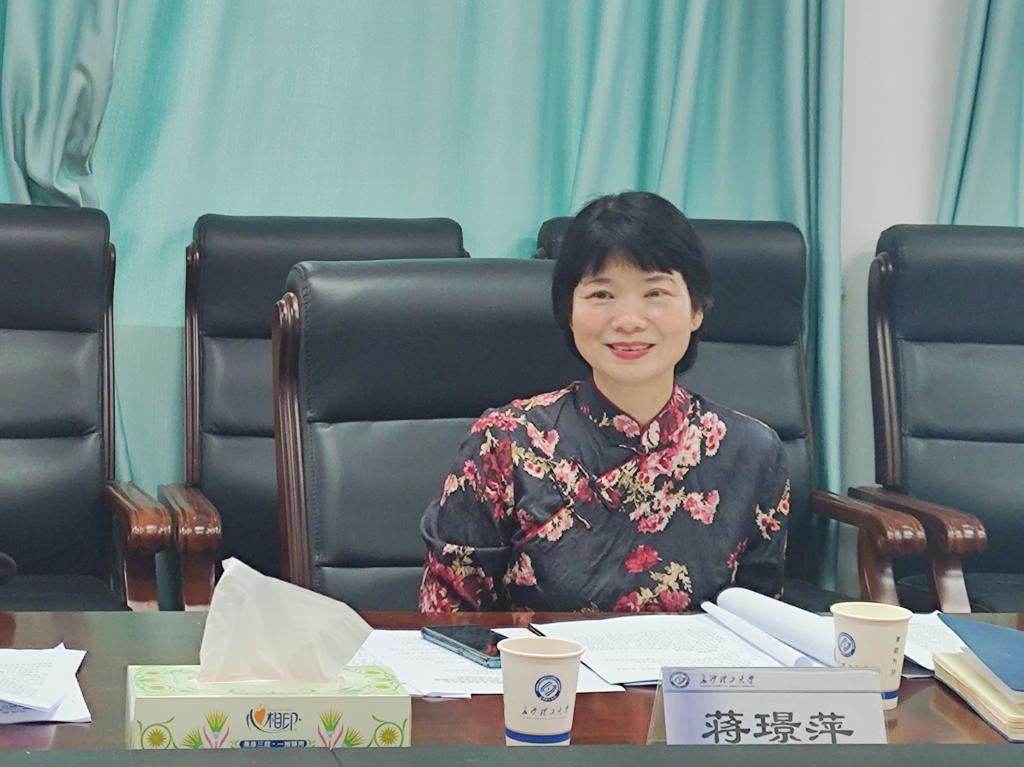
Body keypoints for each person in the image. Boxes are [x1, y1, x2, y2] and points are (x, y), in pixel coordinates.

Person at [419, 191, 789, 612]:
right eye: (601, 295)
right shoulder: (506, 442)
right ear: (568, 311)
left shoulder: (752, 453)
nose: (628, 320)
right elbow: (450, 618)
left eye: (656, 293)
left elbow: (758, 623)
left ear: (696, 310)